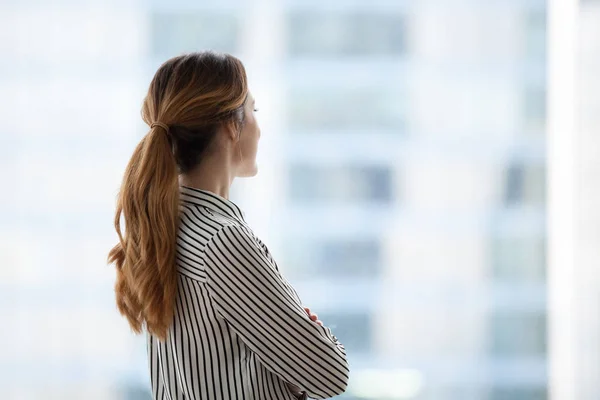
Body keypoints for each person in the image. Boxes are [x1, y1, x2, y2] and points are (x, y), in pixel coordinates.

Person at [107, 51, 349, 400]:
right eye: (253, 111)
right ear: (230, 126)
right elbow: (330, 374)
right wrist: (305, 335)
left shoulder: (168, 226)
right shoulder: (223, 241)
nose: (260, 127)